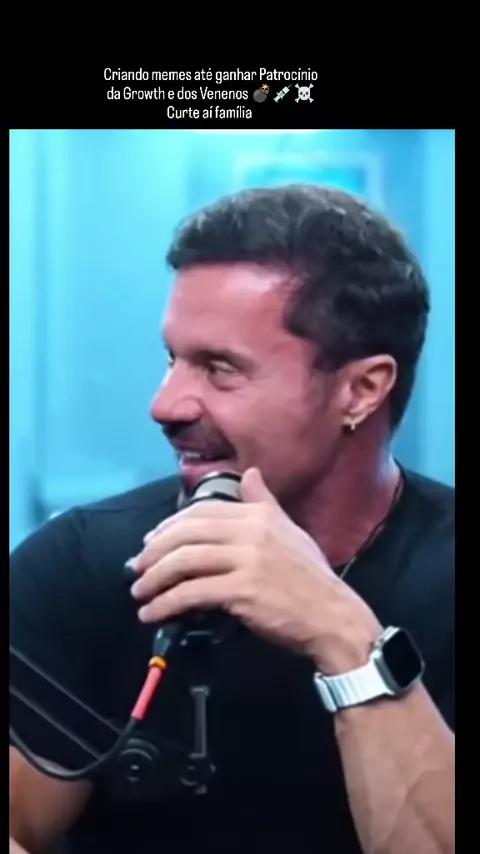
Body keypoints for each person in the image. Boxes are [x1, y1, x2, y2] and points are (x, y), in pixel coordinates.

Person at [9, 184, 454, 854]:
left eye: (219, 369)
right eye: (173, 359)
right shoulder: (80, 563)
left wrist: (342, 634)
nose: (165, 405)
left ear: (361, 389)